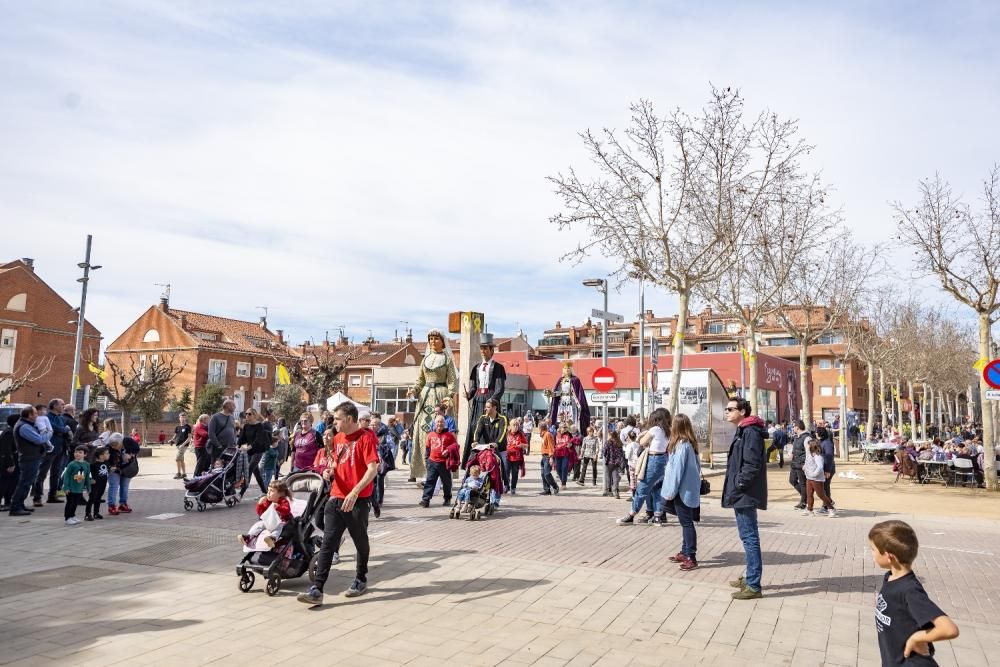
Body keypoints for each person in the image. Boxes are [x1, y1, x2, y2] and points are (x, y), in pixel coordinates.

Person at [298, 402, 379, 606]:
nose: (334, 422)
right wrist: (329, 470)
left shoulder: (366, 438)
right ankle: (317, 588)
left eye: (337, 419)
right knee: (328, 542)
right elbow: (338, 462)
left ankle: (361, 578)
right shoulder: (338, 438)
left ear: (350, 419)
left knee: (360, 541)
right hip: (336, 497)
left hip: (357, 500)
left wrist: (355, 491)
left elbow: (372, 469)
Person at [869, 520, 960, 665]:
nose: (871, 553)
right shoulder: (890, 577)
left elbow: (949, 629)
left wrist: (917, 637)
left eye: (872, 549)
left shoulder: (910, 591)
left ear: (888, 556)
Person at [721, 397, 767, 600]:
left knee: (749, 538)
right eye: (726, 408)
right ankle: (749, 577)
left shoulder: (750, 432)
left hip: (745, 494)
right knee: (746, 537)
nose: (726, 412)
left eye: (730, 409)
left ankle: (754, 585)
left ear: (742, 411)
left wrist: (739, 484)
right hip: (741, 493)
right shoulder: (743, 430)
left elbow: (751, 464)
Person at [407, 330, 458, 483]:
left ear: (442, 341)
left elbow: (452, 382)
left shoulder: (447, 359)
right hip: (425, 397)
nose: (433, 341)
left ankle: (442, 475)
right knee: (424, 434)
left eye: (436, 338)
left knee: (442, 434)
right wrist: (414, 390)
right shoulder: (425, 359)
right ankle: (424, 472)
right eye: (430, 339)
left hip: (440, 397)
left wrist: (449, 396)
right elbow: (420, 380)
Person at [661, 414, 703, 570]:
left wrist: (671, 491)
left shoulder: (682, 445)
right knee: (686, 522)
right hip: (688, 489)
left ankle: (690, 556)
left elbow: (677, 471)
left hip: (682, 490)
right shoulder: (690, 444)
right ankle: (685, 551)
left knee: (686, 523)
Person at [617, 408, 671, 526]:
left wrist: (642, 435)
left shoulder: (655, 429)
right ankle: (657, 516)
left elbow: (641, 442)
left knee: (642, 487)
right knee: (657, 488)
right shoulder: (667, 431)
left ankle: (631, 514)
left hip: (654, 459)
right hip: (663, 459)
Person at [462, 333, 507, 466]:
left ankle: (490, 460)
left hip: (490, 400)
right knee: (475, 427)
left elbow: (500, 388)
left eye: (486, 348)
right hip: (478, 401)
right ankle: (473, 460)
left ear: (492, 350)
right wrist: (469, 394)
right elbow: (474, 387)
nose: (483, 351)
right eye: (482, 348)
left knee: (489, 430)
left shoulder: (498, 367)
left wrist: (492, 402)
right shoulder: (476, 368)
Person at [8, 406, 49, 516]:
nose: (37, 415)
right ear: (29, 415)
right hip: (29, 458)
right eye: (35, 413)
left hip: (32, 457)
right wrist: (49, 433)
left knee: (27, 482)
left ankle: (20, 504)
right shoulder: (24, 427)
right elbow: (39, 439)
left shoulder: (27, 425)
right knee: (24, 483)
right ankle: (15, 507)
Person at [239, 479, 293, 550]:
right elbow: (261, 513)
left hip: (282, 522)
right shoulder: (268, 501)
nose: (268, 493)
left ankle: (272, 539)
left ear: (280, 494)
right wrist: (259, 504)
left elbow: (286, 510)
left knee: (278, 527)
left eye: (272, 491)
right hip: (270, 521)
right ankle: (249, 537)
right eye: (268, 490)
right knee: (258, 524)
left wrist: (278, 507)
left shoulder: (283, 501)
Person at [419, 415, 460, 508]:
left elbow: (456, 446)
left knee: (446, 482)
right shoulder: (430, 435)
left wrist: (448, 450)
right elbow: (427, 449)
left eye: (441, 422)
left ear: (444, 424)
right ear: (434, 423)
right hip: (432, 462)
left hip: (444, 463)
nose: (439, 424)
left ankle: (447, 499)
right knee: (429, 481)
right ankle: (425, 500)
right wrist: (427, 461)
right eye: (438, 422)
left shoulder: (449, 435)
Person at [472, 398, 508, 494]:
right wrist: (475, 441)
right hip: (487, 449)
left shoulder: (502, 419)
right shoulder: (483, 418)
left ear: (494, 408)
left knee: (503, 466)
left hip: (500, 449)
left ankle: (504, 485)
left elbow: (502, 433)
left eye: (488, 407)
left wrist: (497, 443)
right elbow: (478, 431)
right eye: (485, 407)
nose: (485, 409)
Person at [237, 408, 272, 498]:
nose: (247, 416)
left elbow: (258, 440)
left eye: (249, 414)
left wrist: (248, 447)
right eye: (246, 414)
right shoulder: (246, 426)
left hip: (258, 450)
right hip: (249, 451)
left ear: (254, 416)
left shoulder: (259, 426)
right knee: (256, 473)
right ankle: (265, 491)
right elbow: (242, 438)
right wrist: (238, 446)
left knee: (249, 469)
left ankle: (241, 494)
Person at [107, 433, 140, 515]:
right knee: (114, 485)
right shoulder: (108, 447)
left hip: (127, 468)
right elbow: (104, 457)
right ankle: (111, 505)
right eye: (112, 445)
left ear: (121, 442)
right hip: (114, 468)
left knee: (125, 485)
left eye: (116, 445)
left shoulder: (128, 441)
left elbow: (137, 449)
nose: (114, 447)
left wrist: (130, 455)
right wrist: (109, 467)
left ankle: (123, 504)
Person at [803, 441, 836, 517]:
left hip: (817, 479)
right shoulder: (809, 455)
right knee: (809, 494)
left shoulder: (818, 457)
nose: (806, 447)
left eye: (808, 446)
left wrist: (814, 474)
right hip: (809, 478)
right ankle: (809, 510)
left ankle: (831, 509)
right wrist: (805, 468)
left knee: (821, 495)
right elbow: (807, 463)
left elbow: (820, 467)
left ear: (811, 447)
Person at [60, 446, 91, 526]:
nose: (77, 454)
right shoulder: (72, 464)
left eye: (80, 452)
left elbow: (87, 477)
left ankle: (72, 516)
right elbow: (66, 476)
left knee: (75, 503)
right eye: (76, 452)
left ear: (85, 454)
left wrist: (88, 487)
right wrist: (66, 487)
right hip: (71, 488)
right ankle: (67, 518)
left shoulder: (87, 465)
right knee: (70, 503)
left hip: (79, 489)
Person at [788, 420, 810, 510]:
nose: (793, 428)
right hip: (794, 463)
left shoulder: (807, 438)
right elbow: (795, 448)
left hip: (801, 464)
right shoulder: (796, 437)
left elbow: (808, 452)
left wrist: (806, 464)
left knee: (803, 483)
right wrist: (792, 453)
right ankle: (805, 496)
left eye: (794, 427)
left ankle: (803, 501)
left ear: (797, 427)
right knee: (792, 480)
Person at [0, 415, 19, 511]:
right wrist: (10, 463)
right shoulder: (9, 432)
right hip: (8, 462)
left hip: (13, 460)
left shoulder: (11, 431)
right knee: (4, 483)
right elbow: (6, 450)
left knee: (12, 483)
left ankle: (8, 501)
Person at [86, 446, 109, 521]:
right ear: (101, 456)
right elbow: (87, 473)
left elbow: (106, 472)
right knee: (92, 499)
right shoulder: (93, 465)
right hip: (95, 485)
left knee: (98, 498)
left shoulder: (106, 463)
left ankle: (96, 513)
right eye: (107, 453)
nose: (108, 454)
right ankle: (87, 514)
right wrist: (90, 480)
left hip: (103, 484)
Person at [816, 426, 836, 513]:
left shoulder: (827, 443)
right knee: (824, 487)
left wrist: (827, 470)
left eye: (816, 432)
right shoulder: (821, 442)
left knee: (825, 487)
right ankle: (828, 503)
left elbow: (829, 457)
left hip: (828, 469)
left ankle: (827, 505)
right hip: (823, 468)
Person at [505, 418, 527, 494]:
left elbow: (526, 445)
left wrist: (522, 445)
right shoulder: (506, 434)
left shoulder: (521, 434)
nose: (516, 426)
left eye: (517, 425)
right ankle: (506, 486)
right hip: (507, 456)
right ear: (510, 426)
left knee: (515, 473)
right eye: (514, 425)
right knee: (506, 472)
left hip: (516, 457)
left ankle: (513, 487)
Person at [602, 430, 625, 499]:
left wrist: (606, 456)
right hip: (616, 463)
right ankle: (616, 491)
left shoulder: (608, 443)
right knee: (615, 478)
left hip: (609, 462)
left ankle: (609, 491)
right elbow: (621, 453)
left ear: (610, 436)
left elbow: (604, 452)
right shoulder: (619, 443)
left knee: (608, 477)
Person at [538, 419, 559, 495]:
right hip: (543, 457)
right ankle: (547, 489)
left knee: (547, 473)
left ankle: (555, 486)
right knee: (543, 474)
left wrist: (551, 457)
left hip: (547, 456)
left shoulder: (548, 434)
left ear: (540, 428)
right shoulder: (543, 435)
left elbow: (551, 446)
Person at [172, 413, 192, 480]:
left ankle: (178, 473)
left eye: (184, 417)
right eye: (181, 417)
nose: (183, 418)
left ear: (185, 418)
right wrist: (171, 440)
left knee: (177, 458)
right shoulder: (177, 427)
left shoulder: (188, 427)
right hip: (178, 445)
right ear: (179, 418)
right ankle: (184, 474)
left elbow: (189, 438)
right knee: (181, 459)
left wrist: (182, 445)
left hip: (183, 445)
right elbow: (175, 435)